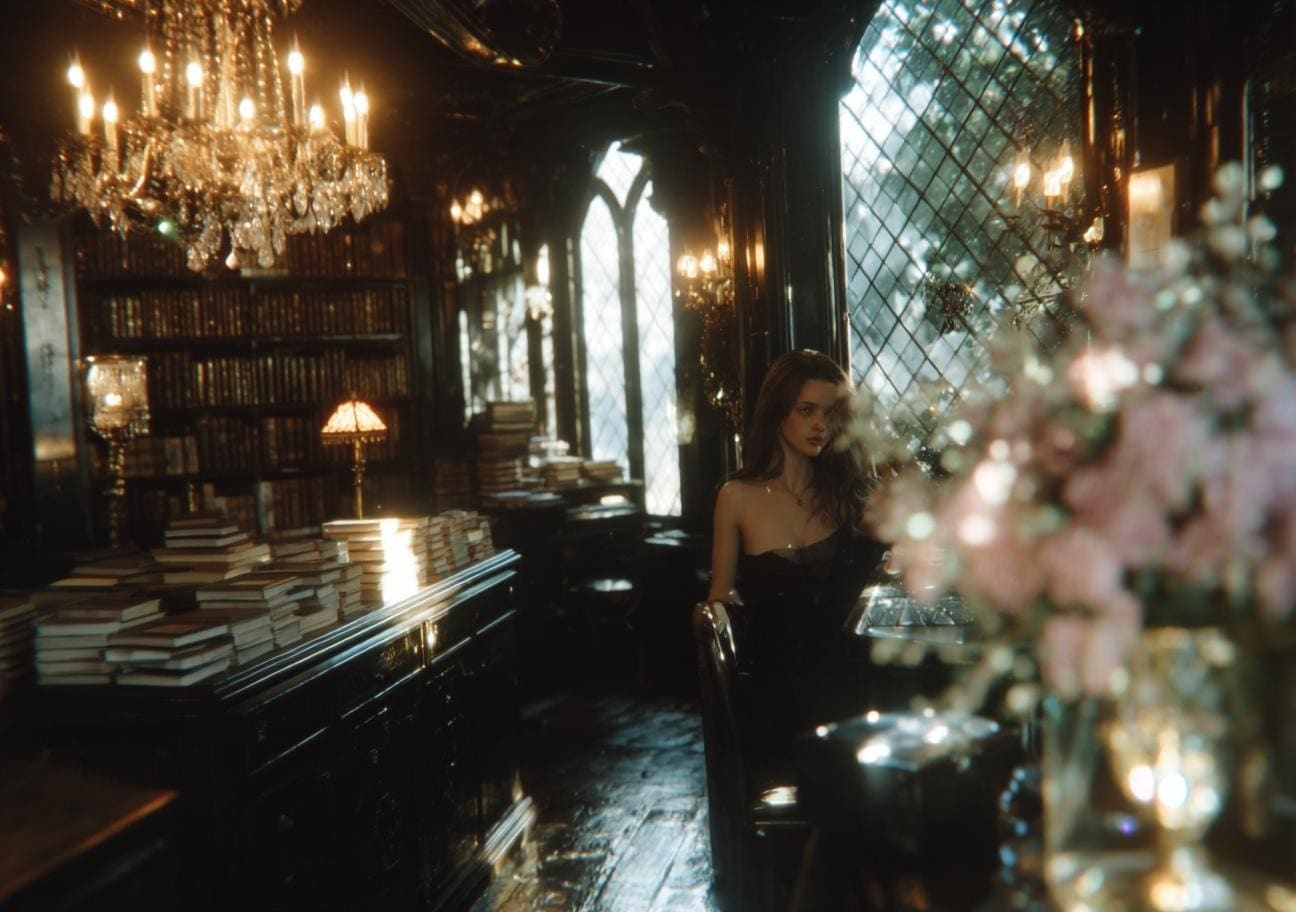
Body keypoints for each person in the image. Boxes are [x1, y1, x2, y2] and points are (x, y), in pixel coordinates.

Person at [708, 349, 886, 746]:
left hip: (850, 680)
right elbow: (720, 599)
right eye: (806, 411)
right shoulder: (736, 496)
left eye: (831, 413)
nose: (821, 425)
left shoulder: (849, 494)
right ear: (777, 411)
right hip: (776, 686)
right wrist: (712, 620)